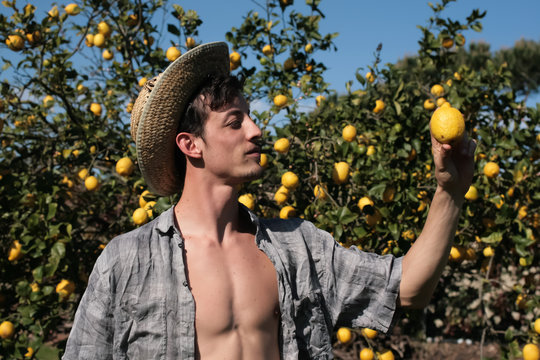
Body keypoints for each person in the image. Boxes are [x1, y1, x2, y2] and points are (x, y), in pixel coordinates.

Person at [63, 42, 476, 359]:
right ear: (191, 145)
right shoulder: (126, 261)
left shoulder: (298, 247)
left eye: (252, 115)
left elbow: (407, 288)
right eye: (235, 121)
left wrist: (450, 193)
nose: (257, 130)